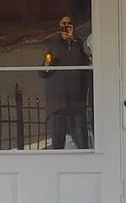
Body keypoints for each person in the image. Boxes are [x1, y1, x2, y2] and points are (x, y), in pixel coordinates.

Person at [38, 13, 92, 149]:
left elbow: (85, 66)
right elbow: (42, 72)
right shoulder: (53, 44)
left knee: (83, 148)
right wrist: (47, 64)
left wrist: (73, 41)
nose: (66, 27)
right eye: (63, 24)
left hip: (76, 105)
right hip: (57, 106)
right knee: (57, 150)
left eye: (69, 24)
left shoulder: (79, 44)